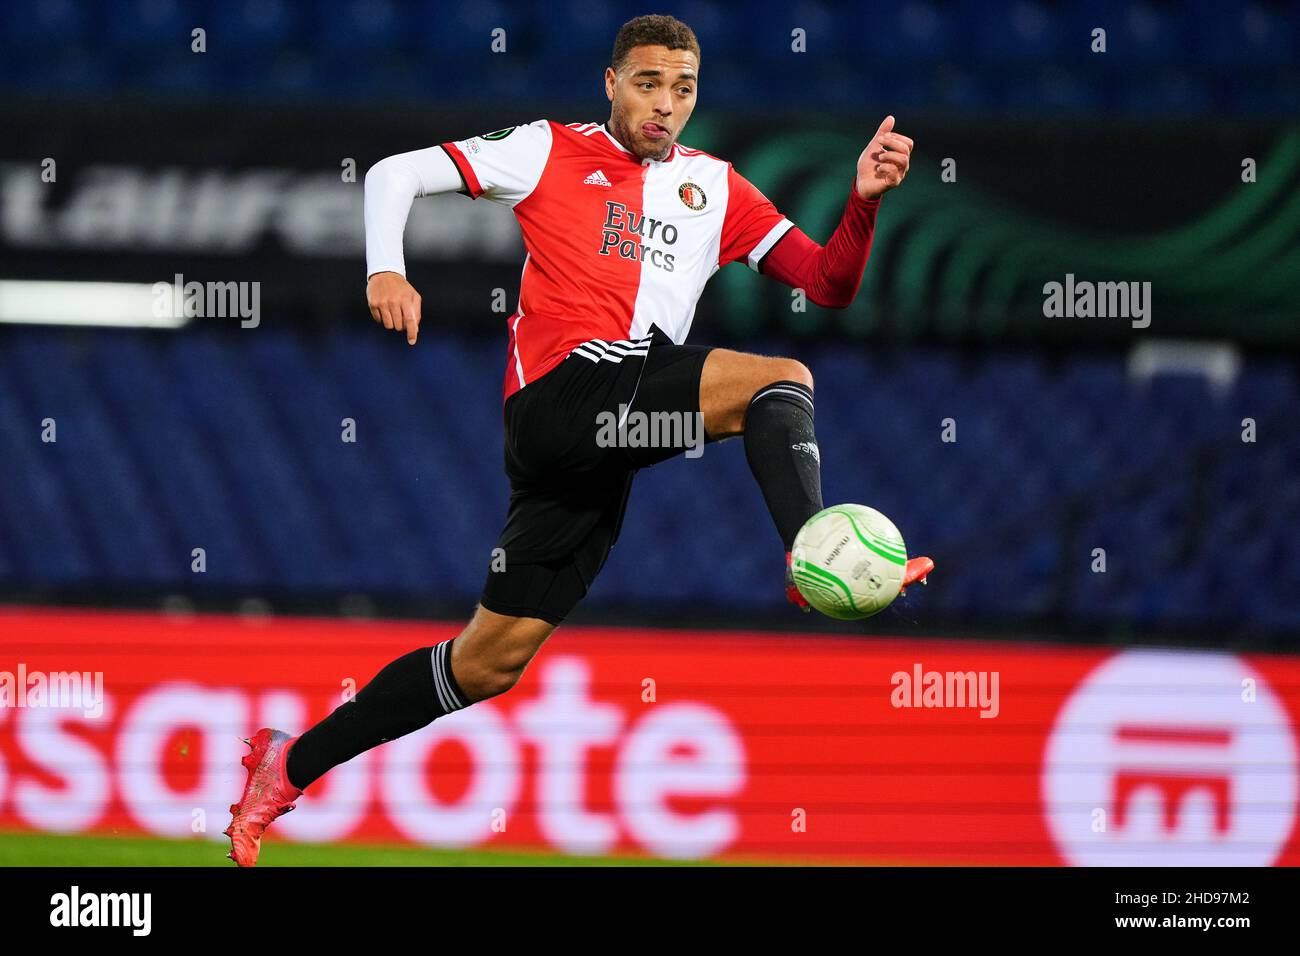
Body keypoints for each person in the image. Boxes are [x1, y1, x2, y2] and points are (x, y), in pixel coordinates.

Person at [226, 13, 932, 867]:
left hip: (607, 440)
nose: (665, 105)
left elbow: (828, 284)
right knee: (780, 382)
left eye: (683, 89)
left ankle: (286, 768)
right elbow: (392, 174)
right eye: (648, 84)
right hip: (564, 399)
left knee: (488, 664)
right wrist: (386, 265)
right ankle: (806, 548)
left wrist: (861, 203)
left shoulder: (717, 188)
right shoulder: (546, 148)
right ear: (611, 83)